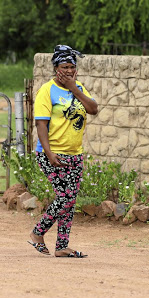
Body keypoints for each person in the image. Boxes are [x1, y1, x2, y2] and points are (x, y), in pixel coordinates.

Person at [27, 45, 98, 258]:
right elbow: (40, 125)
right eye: (64, 66)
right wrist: (49, 154)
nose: (68, 70)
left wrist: (74, 88)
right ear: (56, 67)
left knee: (70, 199)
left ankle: (61, 246)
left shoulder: (79, 88)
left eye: (72, 67)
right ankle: (37, 233)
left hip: (75, 154)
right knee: (65, 196)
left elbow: (93, 109)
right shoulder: (46, 91)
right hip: (52, 154)